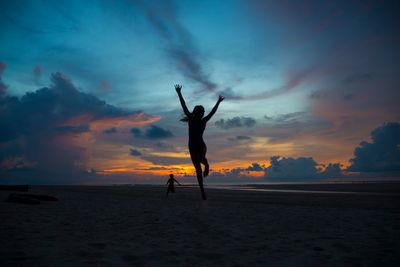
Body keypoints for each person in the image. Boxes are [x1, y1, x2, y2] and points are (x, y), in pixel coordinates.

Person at [175, 84, 224, 200]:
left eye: (202, 112)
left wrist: (218, 102)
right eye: (200, 111)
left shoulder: (203, 121)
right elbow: (184, 105)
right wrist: (179, 93)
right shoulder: (191, 119)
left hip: (201, 145)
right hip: (192, 146)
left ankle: (206, 165)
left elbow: (212, 112)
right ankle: (202, 190)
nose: (202, 113)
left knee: (202, 160)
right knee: (197, 169)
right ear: (196, 112)